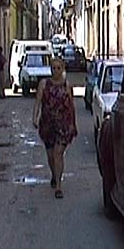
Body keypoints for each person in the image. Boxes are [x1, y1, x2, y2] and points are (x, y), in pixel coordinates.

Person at [33, 57, 77, 199]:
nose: (56, 71)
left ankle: (58, 185)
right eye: (54, 68)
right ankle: (54, 174)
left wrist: (73, 124)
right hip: (48, 124)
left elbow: (71, 106)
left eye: (59, 68)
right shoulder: (44, 84)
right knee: (51, 156)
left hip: (63, 124)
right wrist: (35, 117)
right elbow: (38, 101)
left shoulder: (67, 85)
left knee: (58, 153)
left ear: (63, 69)